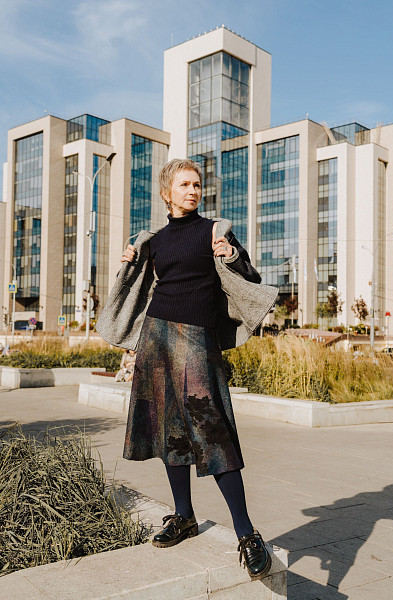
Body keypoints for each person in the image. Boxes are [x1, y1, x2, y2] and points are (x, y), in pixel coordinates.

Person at [98, 158, 278, 580]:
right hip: (156, 337)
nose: (193, 190)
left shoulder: (214, 231)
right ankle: (184, 516)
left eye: (196, 184)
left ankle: (247, 533)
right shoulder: (154, 241)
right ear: (167, 193)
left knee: (213, 433)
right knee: (168, 431)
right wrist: (129, 262)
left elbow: (249, 274)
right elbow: (137, 288)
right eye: (184, 185)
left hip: (198, 340)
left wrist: (232, 255)